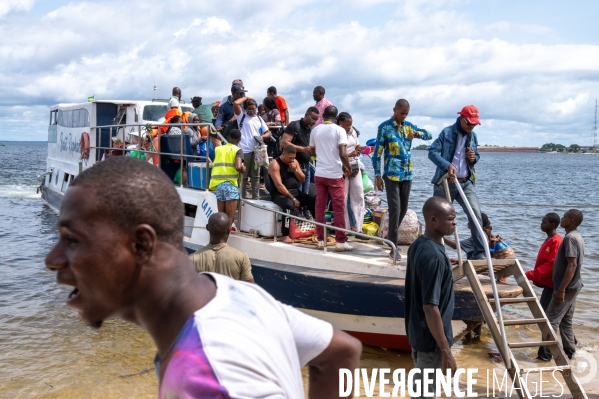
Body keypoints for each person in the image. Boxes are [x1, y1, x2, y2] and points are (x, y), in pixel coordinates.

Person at [45, 157, 361, 398]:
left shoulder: (206, 378)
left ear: (141, 245)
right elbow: (342, 350)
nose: (52, 260)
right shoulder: (240, 296)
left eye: (72, 240)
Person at [405, 197, 458, 398]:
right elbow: (430, 307)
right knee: (423, 395)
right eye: (450, 219)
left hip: (418, 335)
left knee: (421, 392)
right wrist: (446, 351)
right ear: (433, 220)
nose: (454, 223)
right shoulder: (434, 257)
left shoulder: (418, 245)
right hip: (432, 342)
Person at [373, 99, 432, 260]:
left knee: (404, 208)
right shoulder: (384, 128)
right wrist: (378, 176)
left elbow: (429, 135)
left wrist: (417, 134)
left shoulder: (409, 126)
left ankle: (390, 236)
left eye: (406, 113)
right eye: (401, 113)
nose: (404, 116)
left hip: (407, 173)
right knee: (395, 209)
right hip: (391, 174)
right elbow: (377, 153)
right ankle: (393, 246)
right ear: (394, 110)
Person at [429, 105, 485, 260]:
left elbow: (477, 157)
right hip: (445, 182)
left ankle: (479, 253)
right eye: (469, 123)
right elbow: (432, 152)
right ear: (461, 119)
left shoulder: (473, 137)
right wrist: (447, 165)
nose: (471, 127)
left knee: (475, 214)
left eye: (474, 124)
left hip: (466, 182)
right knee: (440, 218)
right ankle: (438, 251)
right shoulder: (447, 132)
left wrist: (473, 158)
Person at [537, 209, 585, 361]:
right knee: (566, 321)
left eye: (564, 217)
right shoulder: (577, 236)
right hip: (575, 285)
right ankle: (570, 354)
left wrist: (561, 289)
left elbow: (572, 265)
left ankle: (544, 356)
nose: (562, 219)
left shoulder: (570, 238)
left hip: (567, 287)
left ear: (571, 221)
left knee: (551, 320)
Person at [309, 105, 353, 251]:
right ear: (336, 117)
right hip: (334, 175)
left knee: (319, 207)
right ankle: (341, 241)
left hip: (319, 174)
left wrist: (320, 158)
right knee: (339, 208)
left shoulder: (315, 130)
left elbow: (312, 151)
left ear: (322, 116)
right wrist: (348, 166)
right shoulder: (339, 130)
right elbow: (342, 153)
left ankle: (321, 239)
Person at [525, 213, 562, 361]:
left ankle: (544, 355)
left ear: (552, 225)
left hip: (553, 286)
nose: (542, 224)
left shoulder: (556, 241)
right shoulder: (548, 240)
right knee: (557, 318)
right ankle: (569, 348)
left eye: (544, 222)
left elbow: (552, 265)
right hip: (548, 284)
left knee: (545, 319)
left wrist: (532, 274)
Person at [268, 145, 316, 244]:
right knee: (288, 204)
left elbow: (302, 179)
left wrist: (296, 170)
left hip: (295, 191)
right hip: (279, 193)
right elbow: (279, 185)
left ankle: (318, 229)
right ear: (283, 154)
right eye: (290, 158)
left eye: (294, 158)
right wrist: (293, 199)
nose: (292, 160)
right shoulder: (275, 164)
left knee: (313, 202)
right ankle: (285, 235)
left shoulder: (294, 162)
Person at [189, 213, 254, 282]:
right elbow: (251, 289)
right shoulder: (241, 257)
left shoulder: (192, 259)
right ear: (229, 230)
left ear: (207, 227)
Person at [233, 96, 271, 199]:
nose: (251, 111)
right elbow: (236, 103)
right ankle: (242, 197)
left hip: (257, 150)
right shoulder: (242, 116)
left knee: (256, 176)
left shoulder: (258, 118)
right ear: (245, 109)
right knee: (243, 175)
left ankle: (256, 197)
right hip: (244, 149)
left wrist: (262, 136)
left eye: (253, 109)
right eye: (249, 109)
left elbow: (268, 132)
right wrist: (246, 97)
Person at [209, 129, 245, 228]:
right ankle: (224, 242)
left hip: (219, 186)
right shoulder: (238, 150)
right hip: (231, 186)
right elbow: (238, 167)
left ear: (229, 137)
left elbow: (215, 142)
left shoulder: (219, 149)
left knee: (221, 218)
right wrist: (243, 168)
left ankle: (218, 241)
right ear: (240, 139)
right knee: (229, 220)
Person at [337, 112, 365, 233]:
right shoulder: (337, 133)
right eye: (347, 125)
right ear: (340, 123)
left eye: (350, 124)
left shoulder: (352, 131)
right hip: (341, 167)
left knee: (359, 195)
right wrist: (349, 154)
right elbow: (335, 154)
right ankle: (345, 228)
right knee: (343, 197)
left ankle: (359, 228)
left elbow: (356, 145)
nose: (349, 127)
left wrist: (363, 148)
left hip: (354, 165)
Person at [280, 107, 319, 195]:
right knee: (297, 194)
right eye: (313, 118)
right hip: (294, 167)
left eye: (316, 120)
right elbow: (284, 143)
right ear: (306, 115)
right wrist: (303, 149)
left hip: (307, 167)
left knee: (305, 195)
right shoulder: (294, 125)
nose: (314, 122)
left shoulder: (311, 130)